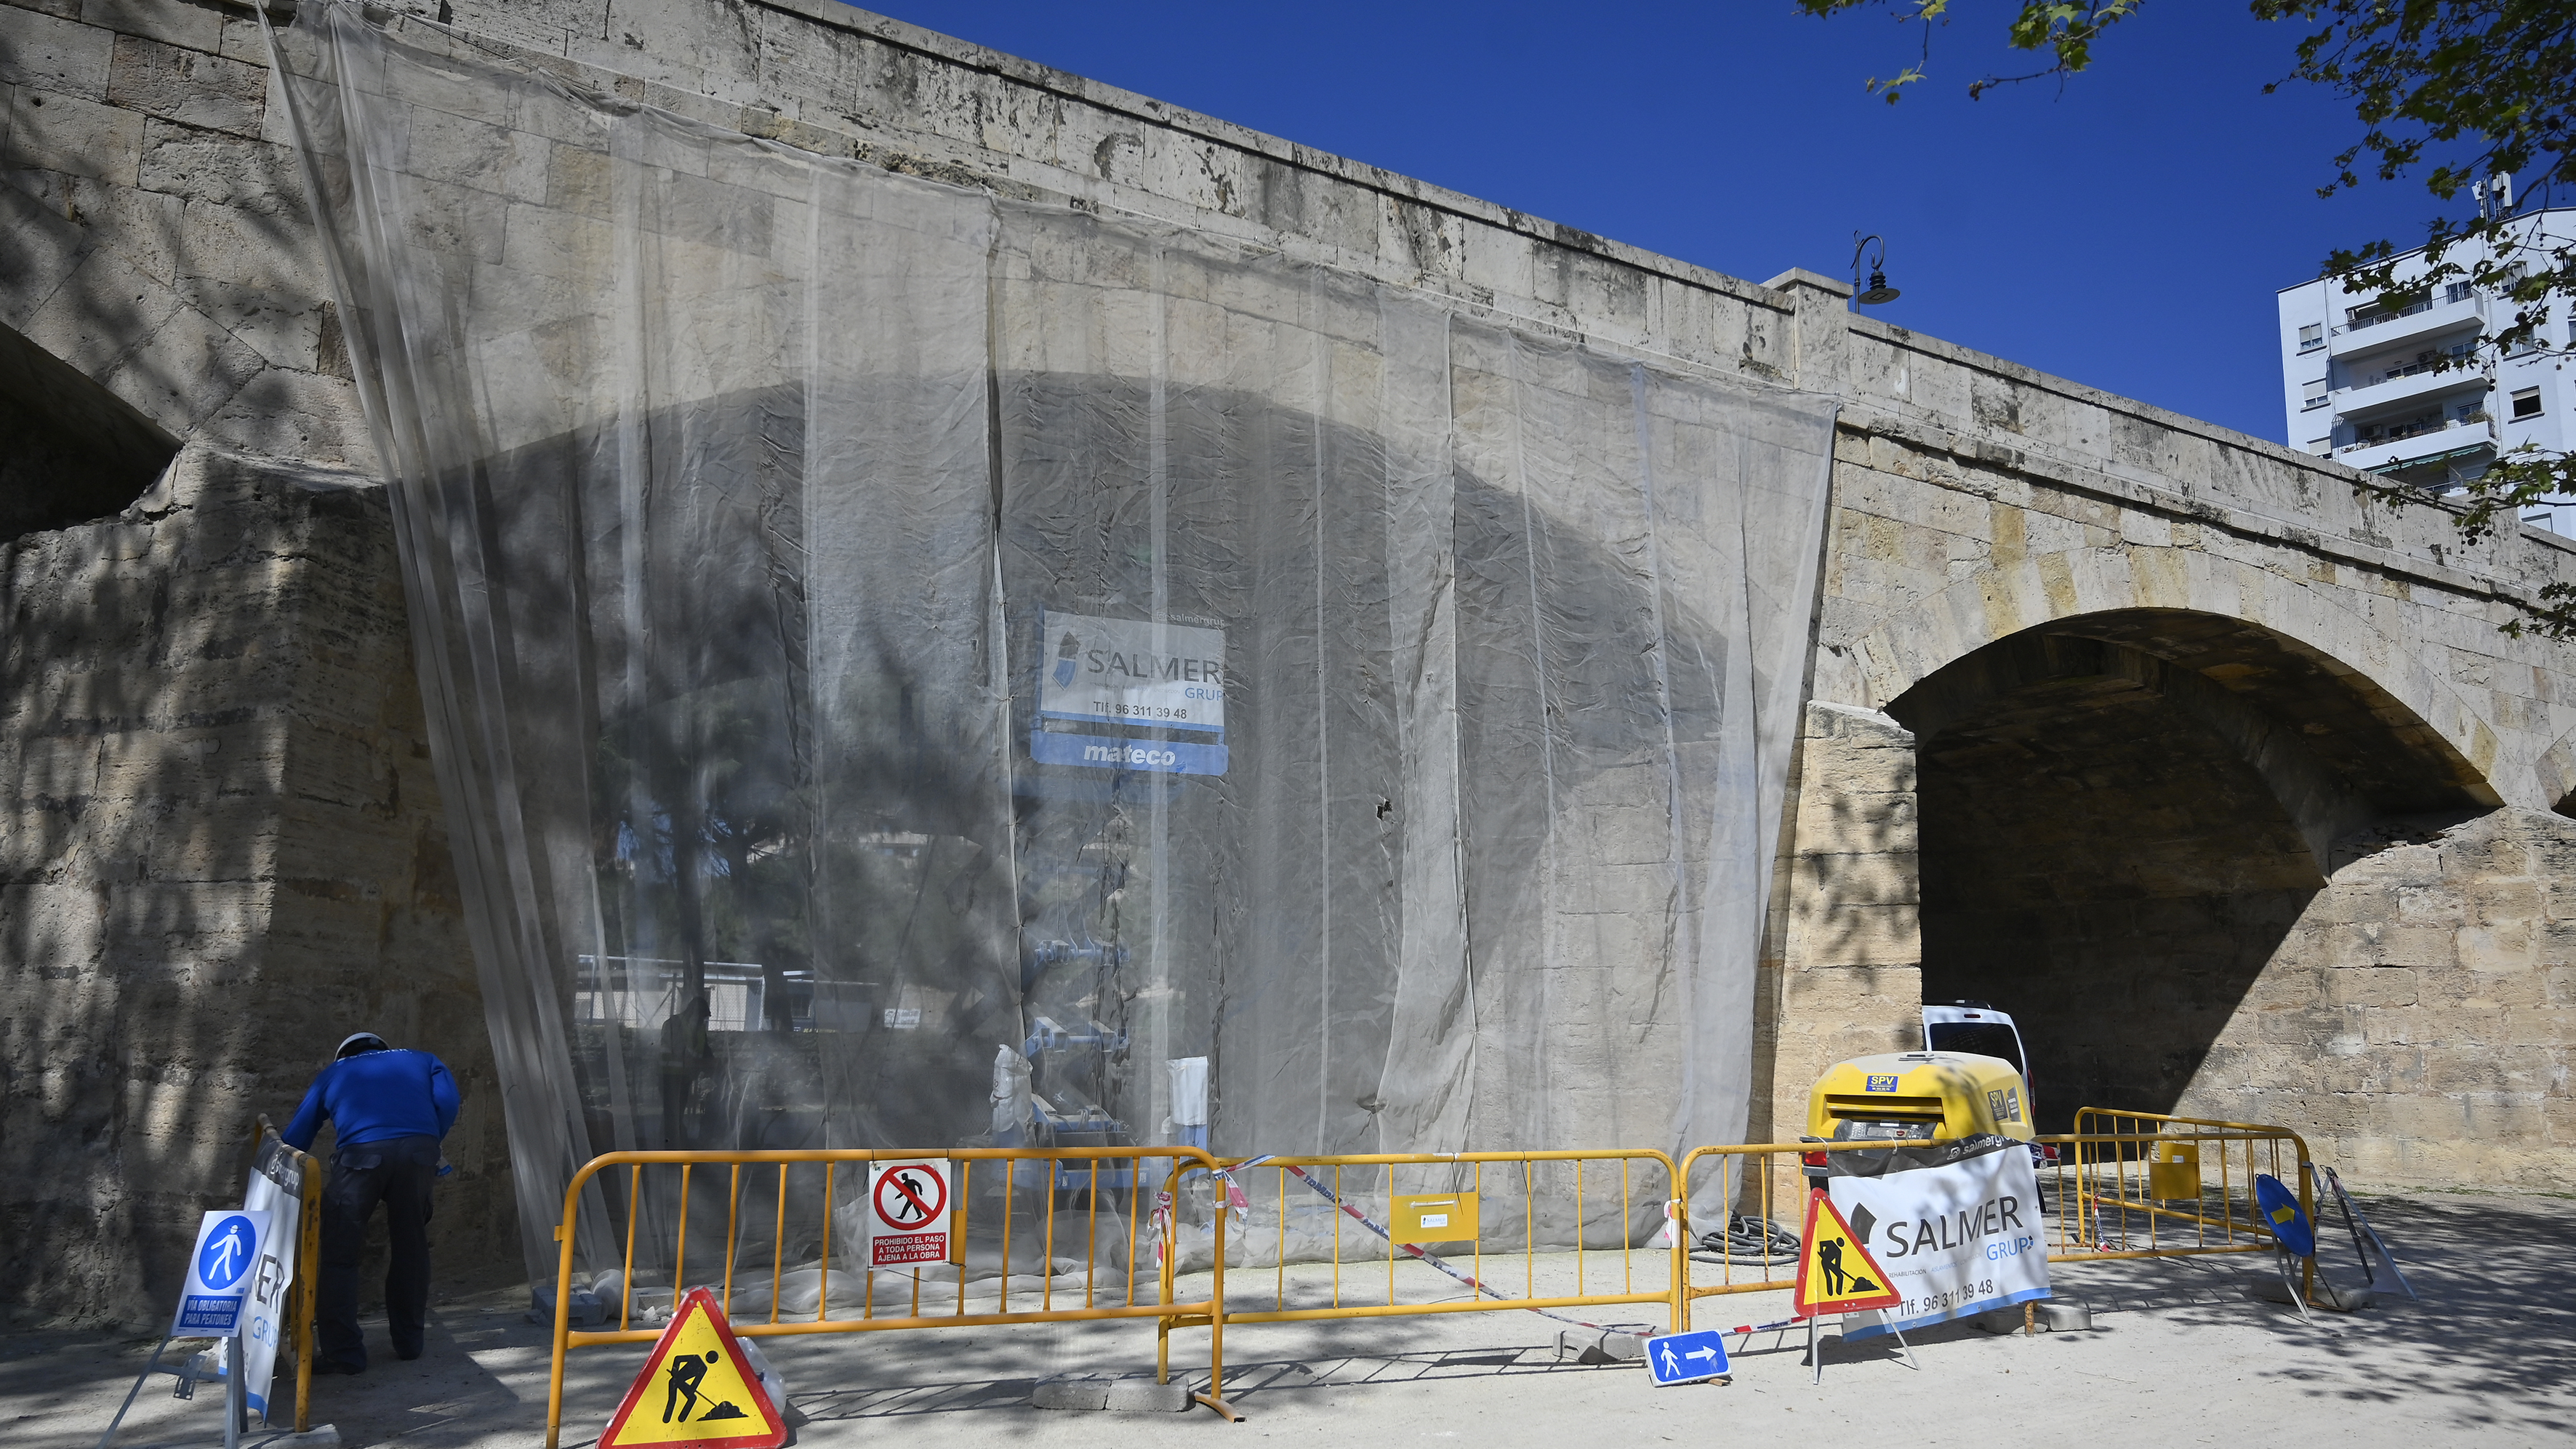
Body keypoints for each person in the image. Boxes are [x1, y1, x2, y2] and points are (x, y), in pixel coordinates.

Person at [281, 1032, 460, 1374]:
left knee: (340, 1257)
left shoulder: (334, 1073)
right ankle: (409, 1343)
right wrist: (428, 1138)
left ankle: (345, 1354)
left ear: (344, 1054)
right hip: (419, 1154)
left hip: (360, 1157)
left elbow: (297, 1137)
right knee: (411, 1247)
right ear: (383, 1048)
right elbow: (449, 1102)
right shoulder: (423, 1059)